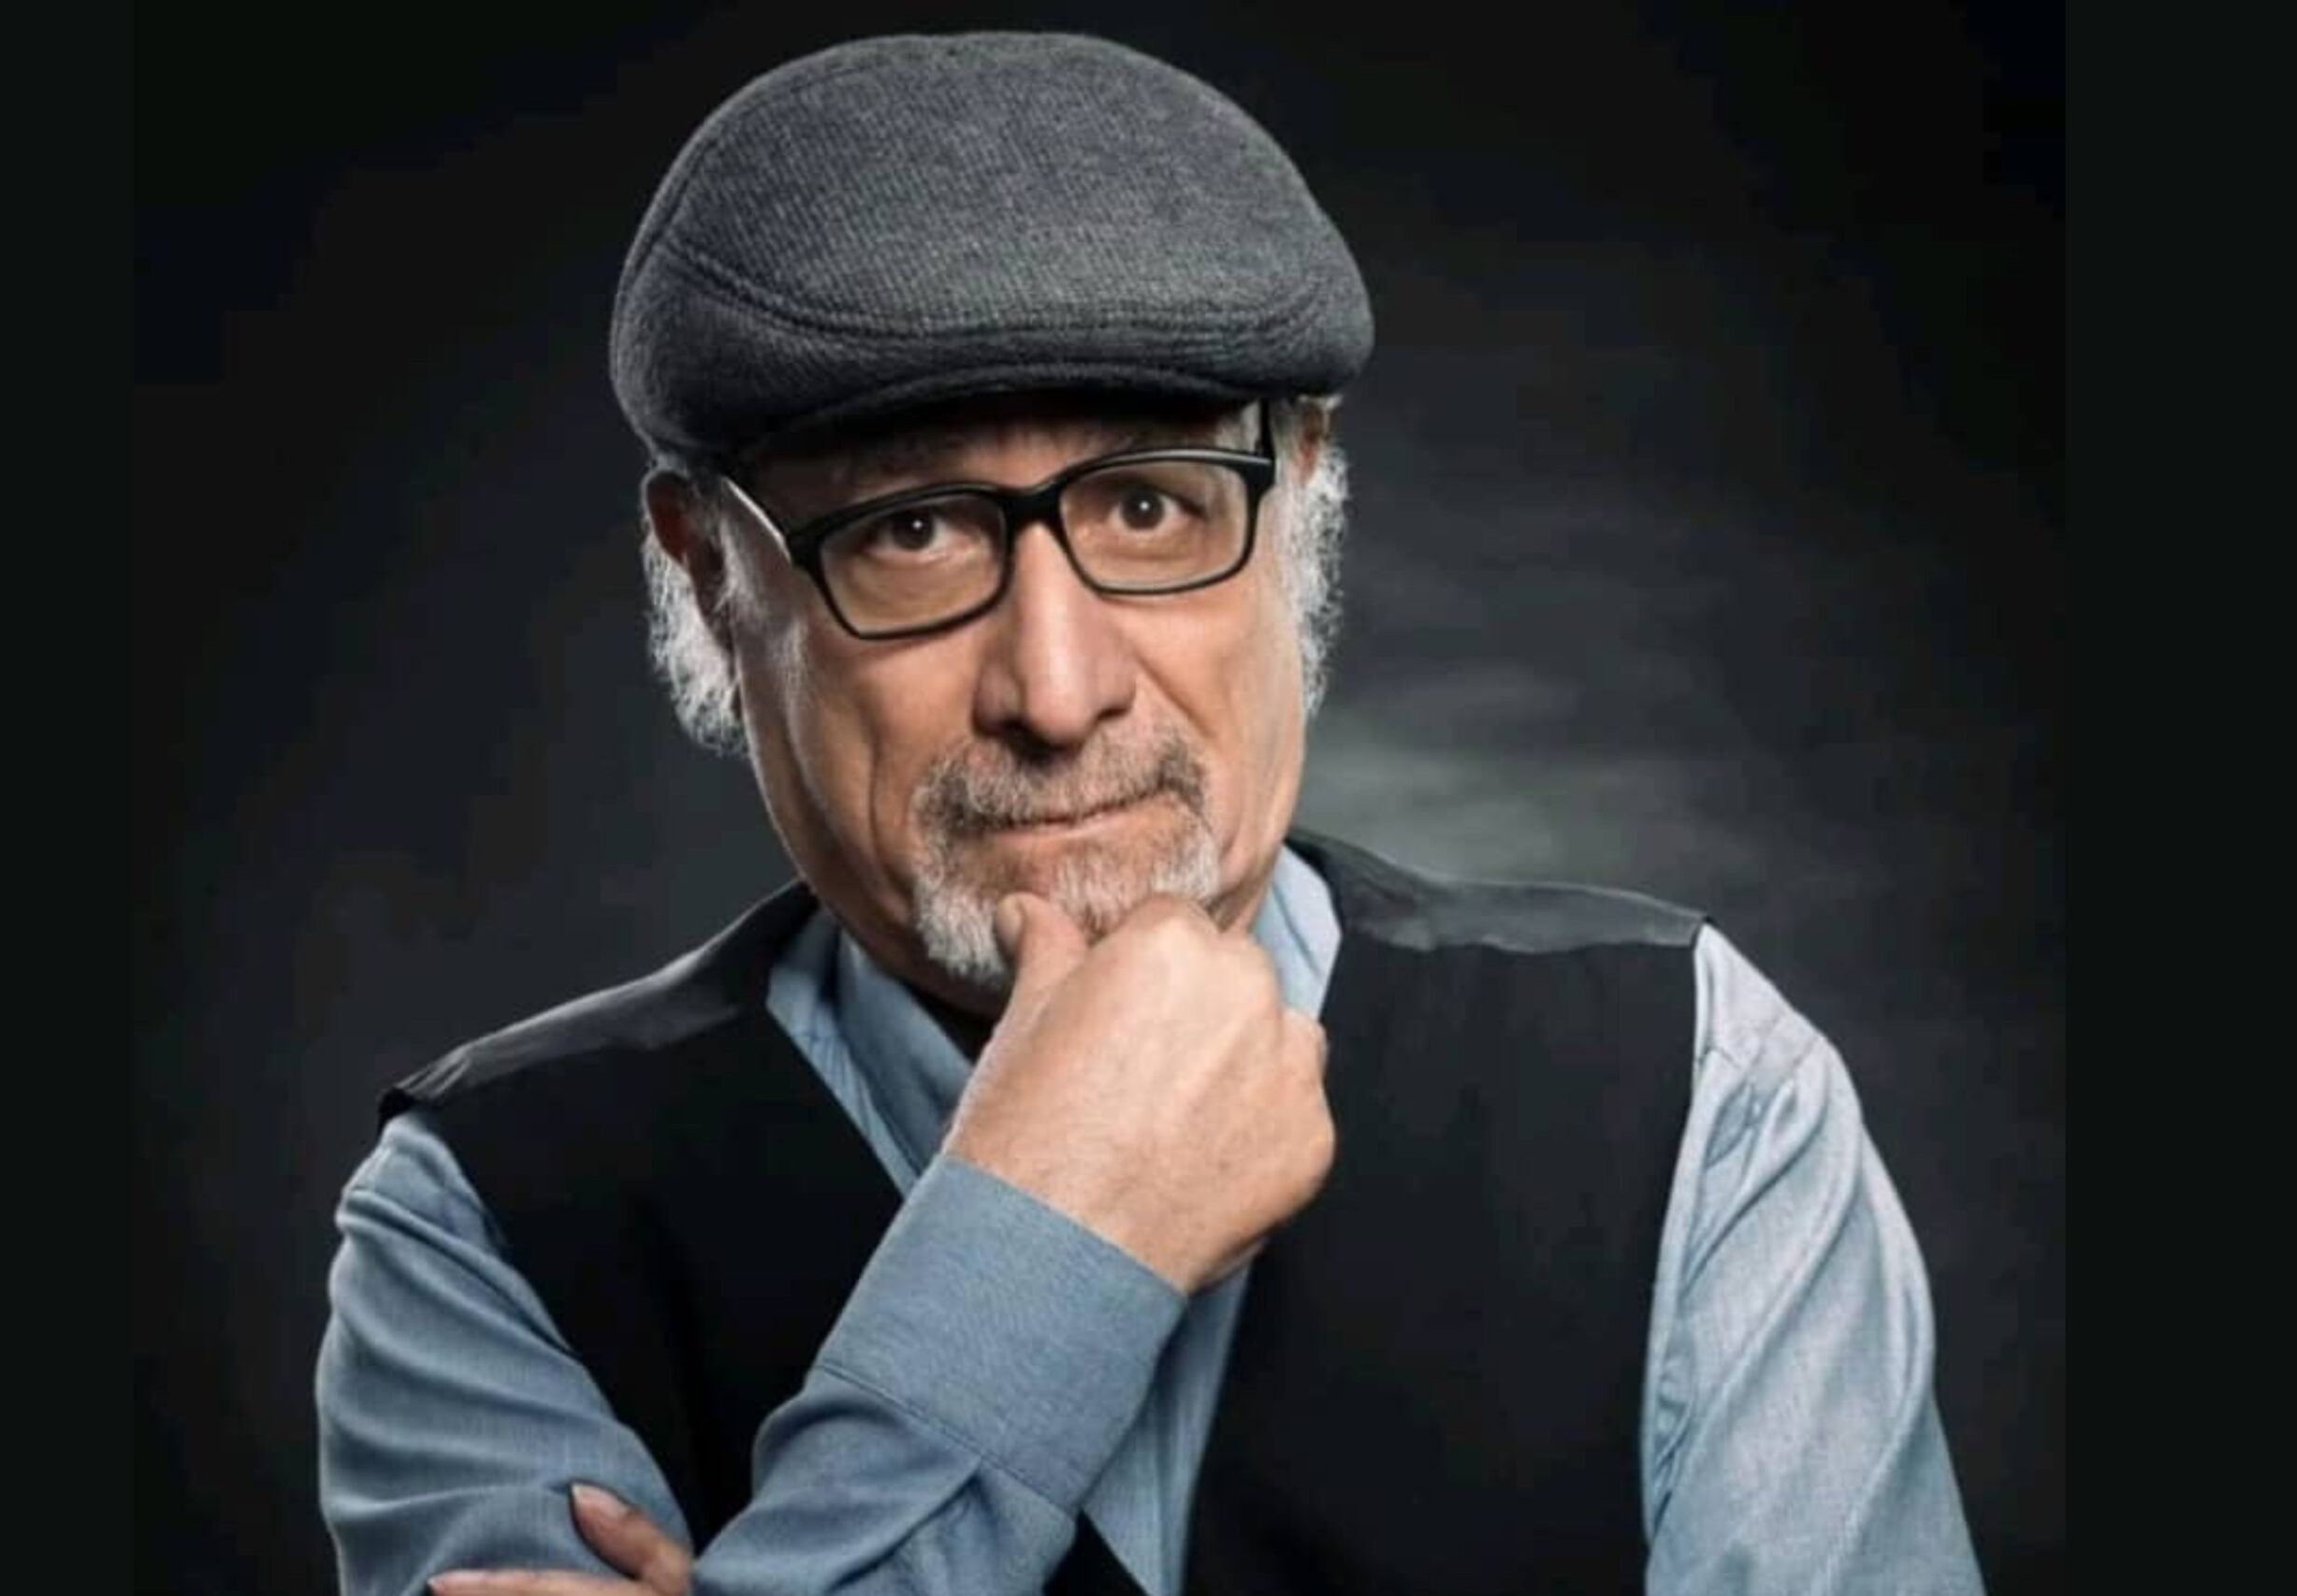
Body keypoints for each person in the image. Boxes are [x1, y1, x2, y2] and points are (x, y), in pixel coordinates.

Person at [313, 30, 1984, 1596]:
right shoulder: (481, 1221)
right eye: (911, 531)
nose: (1057, 691)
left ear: (1300, 497)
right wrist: (1047, 1247)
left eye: (1149, 507)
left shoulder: (1698, 1090)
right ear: (709, 575)